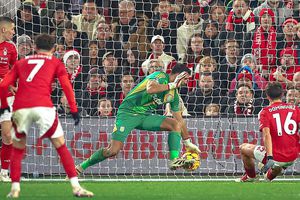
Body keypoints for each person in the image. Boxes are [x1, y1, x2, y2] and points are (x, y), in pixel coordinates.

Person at [0, 34, 93, 197]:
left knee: (18, 148)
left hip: (21, 107)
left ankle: (15, 188)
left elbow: (3, 85)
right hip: (44, 106)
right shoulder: (56, 62)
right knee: (61, 146)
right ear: (54, 48)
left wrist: (4, 108)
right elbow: (66, 86)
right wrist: (73, 109)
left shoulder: (21, 63)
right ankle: (76, 187)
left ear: (34, 47)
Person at [75, 64, 200, 175]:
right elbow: (150, 88)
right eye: (186, 79)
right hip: (127, 113)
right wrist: (172, 84)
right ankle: (81, 167)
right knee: (112, 151)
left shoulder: (174, 95)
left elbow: (180, 120)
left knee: (175, 125)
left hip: (145, 116)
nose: (186, 82)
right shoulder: (160, 75)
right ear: (179, 75)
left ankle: (174, 160)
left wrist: (187, 142)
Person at [236, 82, 300, 182]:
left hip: (276, 156)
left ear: (267, 96)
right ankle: (268, 177)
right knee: (278, 163)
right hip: (292, 156)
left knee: (243, 148)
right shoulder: (295, 109)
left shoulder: (265, 112)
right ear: (282, 94)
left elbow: (267, 135)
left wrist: (269, 157)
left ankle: (251, 177)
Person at [0, 16, 17, 182]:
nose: (13, 31)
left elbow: (13, 69)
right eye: (11, 29)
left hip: (6, 97)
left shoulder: (11, 48)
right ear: (3, 29)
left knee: (7, 136)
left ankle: (4, 172)